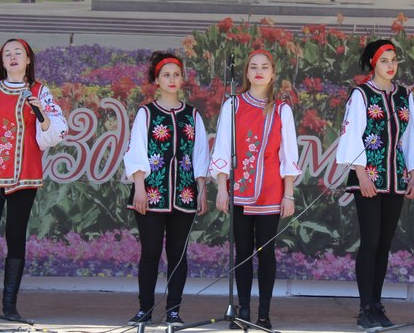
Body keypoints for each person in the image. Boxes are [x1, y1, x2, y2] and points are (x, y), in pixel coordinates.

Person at [0, 38, 67, 320]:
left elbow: (56, 131)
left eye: (18, 52)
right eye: (7, 54)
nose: (13, 57)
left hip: (26, 175)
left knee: (16, 237)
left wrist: (41, 114)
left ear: (28, 59)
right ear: (2, 62)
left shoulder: (40, 92)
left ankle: (9, 305)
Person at [210, 49, 301, 330]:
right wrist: (222, 187)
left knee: (266, 252)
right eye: (253, 67)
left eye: (264, 67)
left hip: (271, 191)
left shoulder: (282, 110)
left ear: (273, 73)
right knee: (243, 252)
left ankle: (264, 314)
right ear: (246, 73)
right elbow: (223, 145)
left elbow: (288, 154)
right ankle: (244, 311)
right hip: (239, 190)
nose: (259, 71)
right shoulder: (233, 105)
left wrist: (288, 194)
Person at [335, 39, 414, 329]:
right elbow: (352, 134)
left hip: (396, 177)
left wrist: (412, 173)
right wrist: (361, 175)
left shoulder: (403, 95)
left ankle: (377, 304)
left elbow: (410, 136)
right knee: (370, 240)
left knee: (384, 243)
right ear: (374, 64)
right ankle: (365, 309)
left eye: (394, 60)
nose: (391, 65)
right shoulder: (362, 94)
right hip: (369, 176)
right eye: (384, 60)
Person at [122, 52, 210, 327]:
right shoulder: (147, 113)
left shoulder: (192, 115)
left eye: (176, 74)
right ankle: (145, 309)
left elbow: (200, 154)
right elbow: (137, 151)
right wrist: (139, 187)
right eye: (166, 75)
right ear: (157, 80)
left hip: (184, 194)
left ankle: (173, 310)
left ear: (183, 79)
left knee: (177, 254)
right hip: (151, 193)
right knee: (150, 252)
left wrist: (201, 189)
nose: (172, 79)